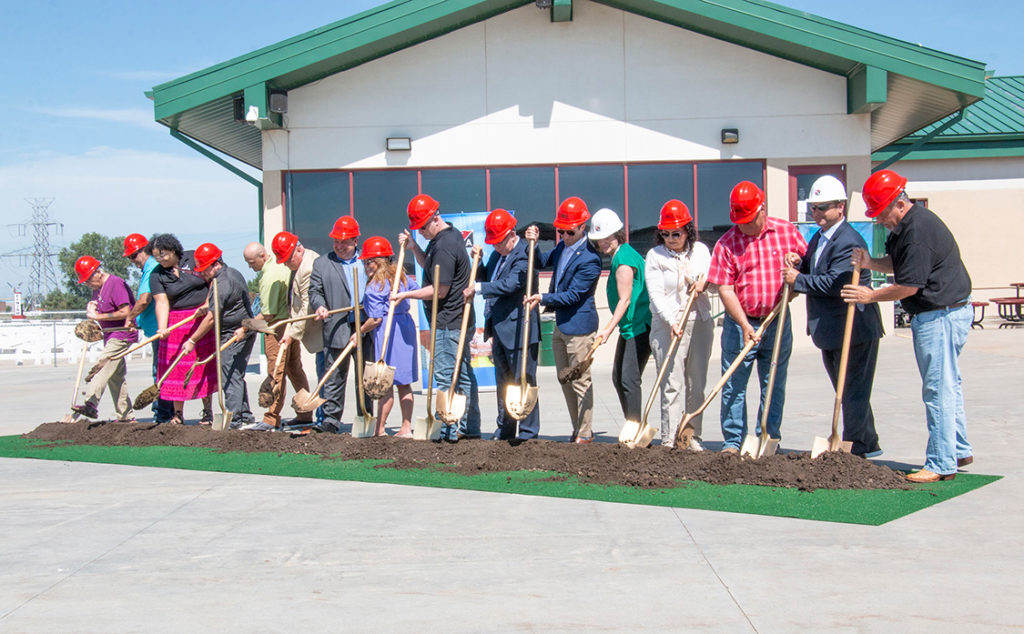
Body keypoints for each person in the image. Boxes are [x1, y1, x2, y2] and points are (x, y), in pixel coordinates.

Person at [840, 169, 973, 483]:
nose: (881, 219)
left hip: (940, 315)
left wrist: (870, 295)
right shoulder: (904, 229)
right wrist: (872, 263)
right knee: (948, 383)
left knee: (937, 388)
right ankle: (958, 447)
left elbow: (909, 285)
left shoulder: (918, 232)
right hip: (943, 311)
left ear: (899, 204)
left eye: (882, 212)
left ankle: (941, 463)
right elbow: (900, 264)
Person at [783, 176, 884, 458]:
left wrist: (798, 279)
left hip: (854, 327)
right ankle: (868, 440)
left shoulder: (848, 241)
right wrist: (798, 262)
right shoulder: (821, 236)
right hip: (830, 330)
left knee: (851, 390)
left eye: (823, 207)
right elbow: (814, 265)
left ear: (841, 207)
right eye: (813, 208)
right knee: (849, 388)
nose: (817, 214)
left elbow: (834, 283)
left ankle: (856, 448)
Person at [707, 182, 807, 453]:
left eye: (749, 220)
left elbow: (806, 268)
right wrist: (743, 325)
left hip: (777, 321)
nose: (744, 227)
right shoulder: (727, 242)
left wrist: (796, 266)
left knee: (773, 383)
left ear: (762, 210)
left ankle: (768, 437)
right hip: (740, 322)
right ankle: (732, 442)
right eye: (739, 221)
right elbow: (725, 288)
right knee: (733, 384)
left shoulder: (786, 232)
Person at [395, 194, 481, 443]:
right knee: (463, 374)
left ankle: (448, 429)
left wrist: (406, 294)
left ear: (435, 219)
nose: (420, 232)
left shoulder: (444, 245)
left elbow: (439, 289)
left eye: (422, 227)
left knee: (445, 376)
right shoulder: (444, 237)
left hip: (448, 321)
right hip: (454, 319)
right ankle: (470, 427)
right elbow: (431, 268)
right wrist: (414, 248)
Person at [524, 196, 602, 443]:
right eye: (560, 231)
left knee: (580, 381)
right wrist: (533, 243)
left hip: (579, 327)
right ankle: (577, 428)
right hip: (562, 324)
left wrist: (543, 296)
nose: (564, 236)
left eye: (569, 231)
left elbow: (574, 295)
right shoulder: (562, 248)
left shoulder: (590, 257)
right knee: (565, 380)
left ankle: (586, 433)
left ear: (582, 227)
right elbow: (540, 262)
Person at [644, 200, 714, 449]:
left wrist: (704, 284)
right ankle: (669, 439)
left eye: (676, 233)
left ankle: (691, 436)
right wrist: (672, 321)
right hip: (667, 325)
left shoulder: (702, 252)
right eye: (666, 234)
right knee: (671, 384)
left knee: (696, 383)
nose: (671, 238)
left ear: (688, 230)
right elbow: (656, 294)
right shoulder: (655, 256)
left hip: (699, 322)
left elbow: (714, 281)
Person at [474, 209, 540, 441]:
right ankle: (506, 428)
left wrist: (479, 289)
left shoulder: (525, 253)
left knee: (523, 380)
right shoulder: (496, 255)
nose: (497, 247)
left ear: (512, 234)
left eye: (500, 242)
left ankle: (529, 432)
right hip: (500, 329)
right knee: (503, 381)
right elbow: (487, 278)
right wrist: (479, 263)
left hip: (520, 328)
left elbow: (510, 284)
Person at [309, 216, 374, 432]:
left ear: (356, 241)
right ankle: (330, 420)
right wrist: (319, 306)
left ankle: (365, 416)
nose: (339, 246)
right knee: (334, 377)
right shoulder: (322, 263)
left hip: (365, 328)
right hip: (336, 327)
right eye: (336, 241)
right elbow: (315, 291)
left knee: (364, 378)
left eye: (344, 242)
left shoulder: (367, 261)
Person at [588, 208, 652, 423]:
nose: (602, 244)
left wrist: (607, 329)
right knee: (618, 377)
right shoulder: (620, 255)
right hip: (629, 326)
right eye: (598, 240)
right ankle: (633, 424)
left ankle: (635, 429)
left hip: (639, 326)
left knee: (629, 380)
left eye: (606, 238)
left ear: (617, 234)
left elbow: (625, 299)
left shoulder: (624, 260)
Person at [148, 233, 216, 424]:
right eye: (156, 256)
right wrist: (162, 328)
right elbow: (161, 302)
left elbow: (212, 280)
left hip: (202, 319)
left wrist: (206, 303)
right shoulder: (156, 275)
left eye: (163, 254)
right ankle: (177, 414)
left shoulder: (193, 259)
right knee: (176, 367)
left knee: (202, 364)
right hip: (176, 322)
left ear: (173, 250)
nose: (160, 259)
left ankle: (207, 412)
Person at [188, 243, 257, 428]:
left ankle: (234, 419)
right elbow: (217, 307)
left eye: (204, 269)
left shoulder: (224, 282)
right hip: (239, 330)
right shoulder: (229, 274)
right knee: (234, 373)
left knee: (230, 375)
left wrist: (192, 340)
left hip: (236, 333)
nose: (202, 274)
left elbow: (212, 319)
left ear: (216, 264)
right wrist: (206, 307)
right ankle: (244, 416)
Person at [357, 236, 420, 437]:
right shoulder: (402, 278)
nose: (367, 266)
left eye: (370, 261)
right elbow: (417, 289)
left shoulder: (374, 286)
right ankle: (405, 427)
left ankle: (380, 429)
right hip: (405, 328)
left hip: (389, 330)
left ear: (382, 261)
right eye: (365, 262)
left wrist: (359, 332)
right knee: (403, 383)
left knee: (386, 382)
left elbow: (375, 319)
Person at [70, 256, 139, 421]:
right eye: (85, 282)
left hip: (122, 332)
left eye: (88, 280)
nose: (88, 284)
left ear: (98, 273)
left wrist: (99, 315)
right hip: (109, 335)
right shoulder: (97, 288)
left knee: (104, 362)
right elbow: (97, 310)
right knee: (115, 376)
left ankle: (91, 402)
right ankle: (125, 415)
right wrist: (91, 310)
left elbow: (126, 312)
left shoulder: (115, 284)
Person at [269, 231, 322, 428]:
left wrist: (292, 334)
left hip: (321, 330)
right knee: (320, 370)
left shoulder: (308, 267)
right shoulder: (299, 265)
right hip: (307, 328)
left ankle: (324, 420)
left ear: (299, 249)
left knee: (325, 374)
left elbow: (306, 305)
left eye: (287, 259)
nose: (285, 264)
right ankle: (314, 417)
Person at [122, 233, 173, 423]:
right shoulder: (149, 268)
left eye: (134, 256)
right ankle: (164, 411)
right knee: (161, 370)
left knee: (161, 372)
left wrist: (130, 317)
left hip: (161, 330)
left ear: (144, 251)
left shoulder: (152, 267)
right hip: (155, 329)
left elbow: (144, 300)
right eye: (129, 257)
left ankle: (163, 413)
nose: (132, 261)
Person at [243, 241, 292, 429]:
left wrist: (246, 326)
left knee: (275, 372)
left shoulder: (270, 276)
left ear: (263, 256)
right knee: (295, 370)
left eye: (251, 262)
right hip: (289, 325)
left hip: (276, 329)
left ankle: (271, 418)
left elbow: (268, 314)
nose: (249, 266)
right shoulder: (281, 268)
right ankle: (305, 414)